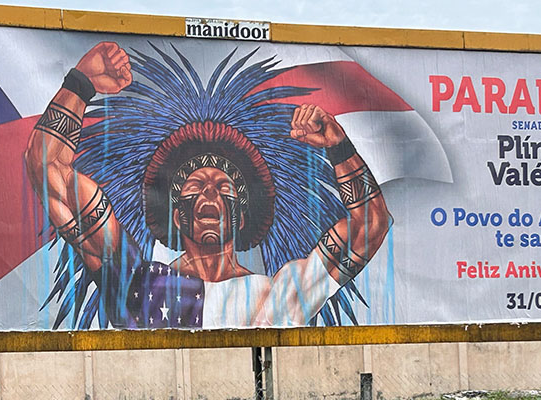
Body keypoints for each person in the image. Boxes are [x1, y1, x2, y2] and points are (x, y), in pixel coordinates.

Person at [24, 41, 392, 329]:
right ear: (175, 213)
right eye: (194, 184)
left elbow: (371, 227)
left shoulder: (279, 295)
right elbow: (47, 166)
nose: (210, 193)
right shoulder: (135, 281)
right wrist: (80, 84)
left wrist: (339, 147)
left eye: (225, 186)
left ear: (243, 216)